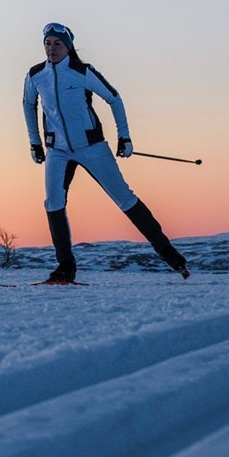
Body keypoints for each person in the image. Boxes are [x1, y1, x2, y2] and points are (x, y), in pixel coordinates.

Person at [22, 22, 189, 283]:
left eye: (57, 44)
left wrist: (125, 136)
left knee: (124, 198)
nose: (51, 49)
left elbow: (114, 98)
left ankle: (172, 257)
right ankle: (65, 268)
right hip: (58, 151)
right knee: (53, 202)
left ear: (68, 47)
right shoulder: (35, 75)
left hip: (92, 148)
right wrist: (35, 143)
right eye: (47, 43)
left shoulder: (82, 72)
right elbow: (27, 104)